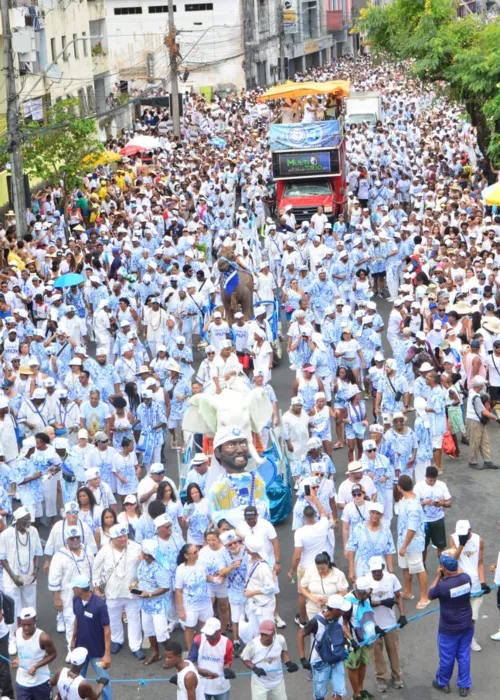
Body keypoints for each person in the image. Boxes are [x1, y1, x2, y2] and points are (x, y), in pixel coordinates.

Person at [92, 524, 143, 660]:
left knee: (134, 619)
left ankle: (136, 646)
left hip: (133, 591)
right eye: (119, 537)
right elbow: (96, 572)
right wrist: (97, 589)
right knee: (113, 619)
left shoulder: (137, 548)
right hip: (112, 592)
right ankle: (117, 640)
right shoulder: (104, 551)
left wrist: (141, 584)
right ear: (112, 538)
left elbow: (145, 567)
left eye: (125, 535)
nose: (123, 539)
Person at [357, 556, 406, 692]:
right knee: (376, 652)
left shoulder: (391, 578)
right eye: (374, 571)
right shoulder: (364, 581)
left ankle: (396, 675)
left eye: (379, 570)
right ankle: (381, 677)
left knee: (394, 650)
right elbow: (362, 602)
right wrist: (382, 603)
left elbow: (398, 596)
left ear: (383, 568)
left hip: (390, 623)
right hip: (372, 625)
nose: (377, 573)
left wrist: (402, 615)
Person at [429, 551, 474, 697]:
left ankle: (443, 683)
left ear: (442, 568)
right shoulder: (466, 579)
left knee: (447, 657)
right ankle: (464, 685)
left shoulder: (443, 586)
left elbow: (430, 594)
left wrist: (437, 576)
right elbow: (459, 574)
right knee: (464, 655)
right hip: (467, 625)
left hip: (449, 629)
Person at [0, 506, 43, 655]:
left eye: (29, 519)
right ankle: (13, 639)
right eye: (25, 520)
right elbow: (2, 558)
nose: (28, 522)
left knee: (30, 606)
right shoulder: (6, 535)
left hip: (29, 576)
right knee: (13, 608)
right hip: (12, 578)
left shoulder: (34, 532)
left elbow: (37, 552)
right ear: (17, 521)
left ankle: (31, 635)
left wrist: (36, 570)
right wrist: (13, 576)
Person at [297, 594, 352, 700]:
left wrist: (348, 642)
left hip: (337, 658)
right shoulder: (316, 621)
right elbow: (300, 634)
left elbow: (339, 633)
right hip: (320, 661)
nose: (344, 611)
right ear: (335, 610)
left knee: (339, 693)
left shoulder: (339, 617)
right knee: (319, 696)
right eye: (342, 609)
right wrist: (302, 657)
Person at [289, 492, 331, 626]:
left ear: (303, 517)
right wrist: (315, 499)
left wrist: (291, 570)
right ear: (314, 515)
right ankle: (324, 615)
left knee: (303, 593)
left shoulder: (300, 532)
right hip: (321, 565)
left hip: (305, 566)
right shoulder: (323, 524)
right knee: (322, 589)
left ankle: (303, 619)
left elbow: (297, 556)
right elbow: (323, 511)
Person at [450, 519, 490, 653]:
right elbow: (453, 560)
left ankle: (470, 639)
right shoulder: (454, 538)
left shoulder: (479, 540)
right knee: (460, 615)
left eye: (464, 534)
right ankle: (460, 639)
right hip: (460, 584)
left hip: (476, 585)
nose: (462, 536)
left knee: (472, 617)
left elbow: (479, 562)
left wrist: (483, 581)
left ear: (470, 531)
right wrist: (461, 544)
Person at [71, 575, 112, 700]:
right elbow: (77, 619)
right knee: (76, 679)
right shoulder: (76, 600)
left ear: (80, 589)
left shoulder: (99, 605)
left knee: (103, 680)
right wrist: (73, 639)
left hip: (97, 652)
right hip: (80, 650)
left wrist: (107, 654)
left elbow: (107, 629)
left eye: (74, 587)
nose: (72, 589)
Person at [395, 474, 429, 609]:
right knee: (405, 567)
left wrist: (404, 546)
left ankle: (424, 597)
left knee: (419, 568)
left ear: (399, 487)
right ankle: (408, 591)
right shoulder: (405, 499)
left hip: (412, 544)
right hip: (403, 541)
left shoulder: (413, 506)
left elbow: (412, 529)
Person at [135, 539, 171, 666]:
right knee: (148, 630)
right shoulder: (143, 564)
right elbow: (141, 582)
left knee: (161, 632)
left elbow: (165, 587)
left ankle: (171, 655)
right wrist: (134, 588)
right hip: (145, 605)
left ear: (147, 554)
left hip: (158, 606)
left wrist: (149, 594)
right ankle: (155, 653)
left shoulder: (160, 568)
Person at [241, 619, 298, 700]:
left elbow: (282, 651)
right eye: (262, 634)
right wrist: (254, 668)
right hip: (260, 684)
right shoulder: (253, 645)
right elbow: (244, 658)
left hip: (278, 682)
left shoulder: (280, 640)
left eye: (267, 634)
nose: (264, 637)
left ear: (273, 633)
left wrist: (288, 662)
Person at [12, 607, 57, 700]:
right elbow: (21, 650)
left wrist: (36, 666)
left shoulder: (44, 638)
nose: (26, 628)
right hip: (22, 682)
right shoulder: (17, 632)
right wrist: (17, 659)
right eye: (23, 624)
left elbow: (53, 654)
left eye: (29, 624)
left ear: (35, 621)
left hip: (41, 682)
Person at [175, 543, 213, 651]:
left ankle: (204, 649)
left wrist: (215, 579)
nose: (197, 553)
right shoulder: (181, 569)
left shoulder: (202, 563)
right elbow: (178, 591)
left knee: (205, 627)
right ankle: (191, 650)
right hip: (190, 605)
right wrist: (181, 610)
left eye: (197, 550)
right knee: (190, 628)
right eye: (195, 552)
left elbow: (206, 577)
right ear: (187, 556)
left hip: (205, 603)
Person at [187, 617, 235, 700]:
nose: (207, 636)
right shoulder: (198, 640)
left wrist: (227, 669)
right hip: (202, 686)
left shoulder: (227, 643)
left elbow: (227, 662)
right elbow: (191, 660)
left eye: (210, 634)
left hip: (221, 686)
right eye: (206, 633)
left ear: (219, 632)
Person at [414, 466, 452, 561]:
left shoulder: (442, 485)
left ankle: (442, 567)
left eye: (434, 480)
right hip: (424, 522)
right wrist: (425, 502)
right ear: (426, 477)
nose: (432, 483)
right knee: (423, 547)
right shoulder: (418, 486)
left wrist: (442, 504)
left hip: (438, 520)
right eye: (430, 480)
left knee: (441, 546)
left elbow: (449, 503)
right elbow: (414, 504)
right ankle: (423, 565)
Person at [465, 375, 499, 470]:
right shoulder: (476, 397)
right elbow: (484, 411)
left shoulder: (474, 391)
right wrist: (496, 418)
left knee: (485, 441)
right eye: (483, 384)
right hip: (474, 421)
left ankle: (487, 461)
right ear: (480, 385)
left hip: (478, 421)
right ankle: (473, 462)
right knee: (475, 442)